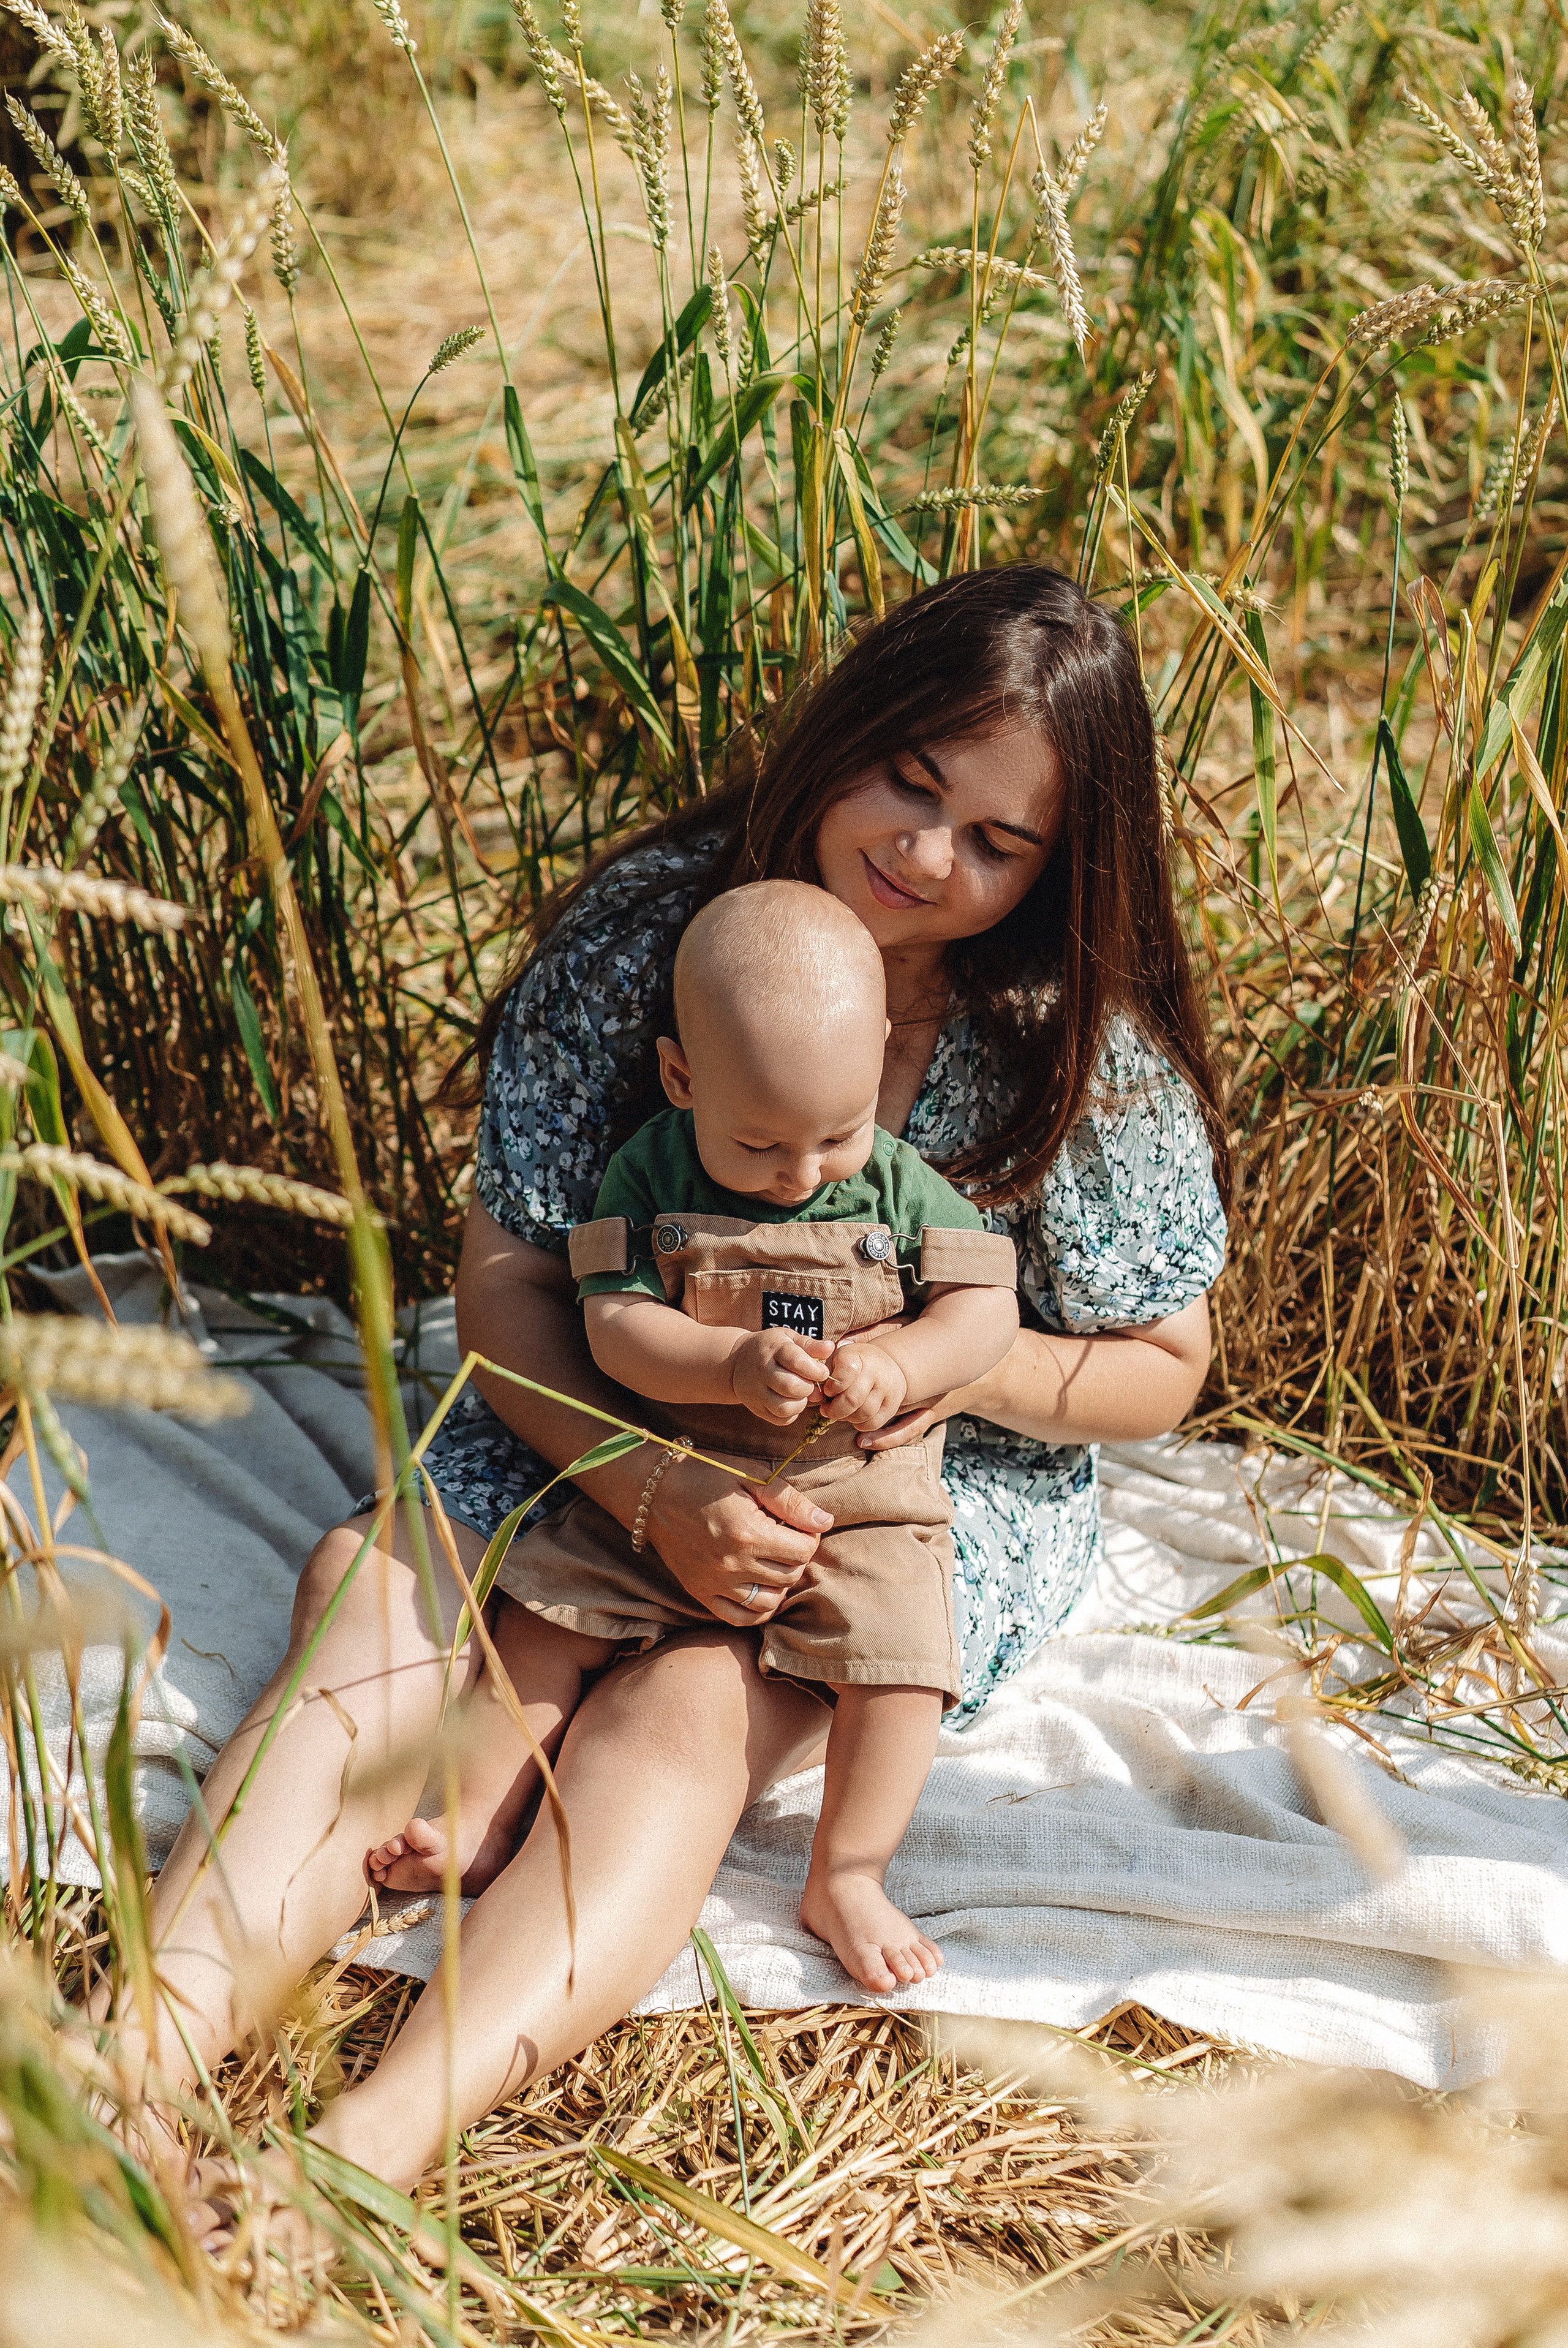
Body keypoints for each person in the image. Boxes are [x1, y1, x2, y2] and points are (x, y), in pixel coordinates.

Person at [124, 564, 1231, 2214]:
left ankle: (345, 2164)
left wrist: (939, 1367)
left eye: (997, 842)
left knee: (689, 1702)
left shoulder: (1064, 1036)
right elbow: (509, 1281)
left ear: (1058, 866)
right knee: (380, 1585)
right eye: (912, 782)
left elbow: (1169, 1368)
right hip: (612, 1391)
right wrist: (648, 1478)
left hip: (910, 1475)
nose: (928, 854)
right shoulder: (656, 930)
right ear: (849, 730)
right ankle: (126, 2067)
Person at [368, 880, 1021, 1995]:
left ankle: (849, 1871)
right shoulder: (651, 1171)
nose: (802, 1171)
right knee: (537, 1619)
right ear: (682, 1079)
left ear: (876, 1059)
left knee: (906, 1665)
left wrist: (905, 1361)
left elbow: (987, 1310)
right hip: (672, 1467)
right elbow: (613, 1326)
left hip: (855, 1498)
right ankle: (481, 1806)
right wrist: (723, 1362)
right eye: (760, 1141)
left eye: (836, 1135)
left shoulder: (903, 1184)